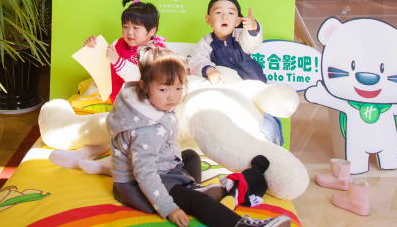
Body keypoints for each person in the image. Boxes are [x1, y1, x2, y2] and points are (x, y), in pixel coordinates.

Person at [108, 45, 292, 227]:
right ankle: (241, 224)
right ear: (144, 86)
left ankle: (191, 189)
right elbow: (145, 174)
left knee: (190, 156)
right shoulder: (145, 130)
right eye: (163, 90)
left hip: (162, 167)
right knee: (198, 202)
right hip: (139, 184)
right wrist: (168, 208)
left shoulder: (153, 103)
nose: (172, 97)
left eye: (178, 88)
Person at [48, 0, 165, 174]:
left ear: (151, 31)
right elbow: (102, 59)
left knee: (126, 136)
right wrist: (91, 47)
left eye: (136, 28)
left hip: (142, 108)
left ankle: (108, 165)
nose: (129, 32)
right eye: (125, 26)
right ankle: (80, 154)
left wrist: (117, 61)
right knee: (108, 132)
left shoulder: (155, 50)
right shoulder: (119, 43)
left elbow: (141, 78)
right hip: (120, 101)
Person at [188, 0, 284, 145]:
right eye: (218, 12)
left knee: (265, 118)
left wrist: (253, 28)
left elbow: (252, 42)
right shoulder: (206, 42)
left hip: (252, 87)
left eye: (231, 13)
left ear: (238, 20)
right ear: (208, 19)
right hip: (229, 90)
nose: (224, 17)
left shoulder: (240, 36)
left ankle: (268, 143)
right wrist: (209, 69)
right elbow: (197, 59)